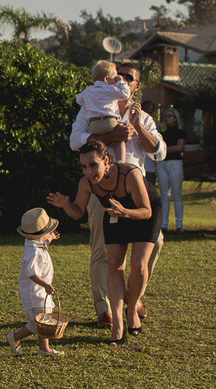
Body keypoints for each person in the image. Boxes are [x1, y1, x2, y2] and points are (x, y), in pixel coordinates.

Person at [69, 59, 165, 327]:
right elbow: (75, 141)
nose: (121, 79)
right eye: (117, 75)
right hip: (102, 190)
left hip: (136, 192)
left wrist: (137, 128)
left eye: (127, 77)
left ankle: (133, 298)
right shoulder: (91, 108)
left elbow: (159, 152)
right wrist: (112, 137)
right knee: (102, 251)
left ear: (136, 85)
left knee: (154, 243)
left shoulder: (144, 116)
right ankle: (105, 308)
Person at [48, 140, 160, 345]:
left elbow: (146, 211)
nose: (88, 171)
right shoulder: (86, 183)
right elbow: (78, 212)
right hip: (115, 214)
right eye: (84, 166)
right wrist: (65, 205)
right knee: (114, 264)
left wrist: (125, 212)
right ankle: (118, 325)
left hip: (144, 214)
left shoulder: (130, 174)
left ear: (106, 160)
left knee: (138, 265)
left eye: (93, 164)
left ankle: (132, 308)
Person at [6, 208, 63, 357]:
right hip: (34, 293)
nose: (51, 233)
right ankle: (16, 337)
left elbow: (42, 244)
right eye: (49, 232)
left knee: (43, 321)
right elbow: (31, 273)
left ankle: (44, 349)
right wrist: (45, 284)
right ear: (40, 235)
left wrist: (50, 239)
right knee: (38, 324)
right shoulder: (33, 252)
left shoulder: (35, 244)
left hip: (39, 292)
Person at [76, 60, 131, 164]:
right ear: (106, 79)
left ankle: (105, 160)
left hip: (94, 125)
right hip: (109, 122)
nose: (115, 82)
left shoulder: (88, 90)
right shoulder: (109, 89)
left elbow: (78, 100)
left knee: (100, 145)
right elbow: (125, 94)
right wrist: (120, 81)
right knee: (119, 141)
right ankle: (121, 161)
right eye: (114, 78)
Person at [157, 107, 186, 232]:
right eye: (165, 116)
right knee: (164, 195)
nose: (166, 118)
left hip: (175, 163)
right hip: (163, 164)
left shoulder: (181, 132)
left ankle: (179, 224)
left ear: (175, 118)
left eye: (169, 115)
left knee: (176, 194)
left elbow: (179, 148)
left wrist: (164, 149)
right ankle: (164, 224)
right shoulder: (161, 135)